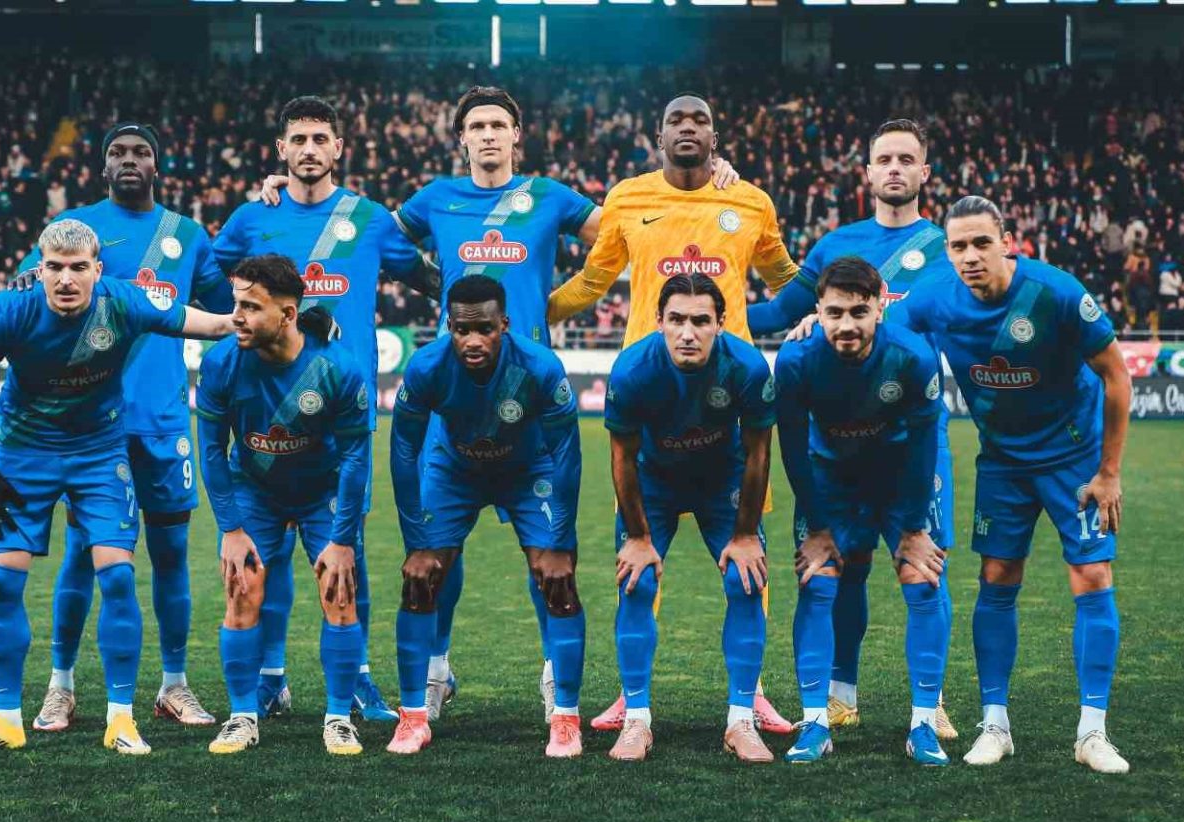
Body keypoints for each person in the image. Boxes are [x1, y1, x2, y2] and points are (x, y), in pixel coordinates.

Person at [263, 87, 739, 723]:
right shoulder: (435, 199)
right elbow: (361, 234)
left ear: (517, 135)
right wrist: (288, 189)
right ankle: (436, 672)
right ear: (462, 138)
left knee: (549, 553)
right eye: (477, 126)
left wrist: (706, 181)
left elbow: (638, 223)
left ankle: (553, 676)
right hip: (452, 403)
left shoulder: (549, 197)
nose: (488, 134)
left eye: (498, 125)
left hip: (529, 400)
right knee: (440, 548)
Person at [547, 91, 801, 734]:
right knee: (637, 559)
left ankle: (753, 690)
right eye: (675, 121)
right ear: (657, 136)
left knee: (749, 557)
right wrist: (531, 313)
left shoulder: (750, 201)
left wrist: (819, 315)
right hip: (651, 394)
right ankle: (631, 696)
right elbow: (593, 282)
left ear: (716, 137)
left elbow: (787, 279)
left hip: (728, 396)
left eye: (700, 120)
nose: (688, 128)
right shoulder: (627, 199)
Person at [0, 219, 234, 755]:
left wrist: (286, 317)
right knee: (3, 581)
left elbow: (215, 324)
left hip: (99, 453)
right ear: (39, 269)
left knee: (118, 576)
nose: (66, 279)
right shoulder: (9, 311)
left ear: (97, 270)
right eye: (55, 268)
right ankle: (5, 720)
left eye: (78, 267)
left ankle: (120, 718)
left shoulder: (124, 301)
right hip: (24, 454)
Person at [214, 96, 440, 724]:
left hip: (341, 415)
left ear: (339, 148)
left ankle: (358, 679)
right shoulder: (251, 218)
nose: (309, 149)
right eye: (299, 140)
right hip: (263, 412)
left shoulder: (369, 219)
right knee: (267, 558)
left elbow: (431, 279)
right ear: (280, 150)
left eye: (320, 139)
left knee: (346, 553)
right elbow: (207, 281)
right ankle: (270, 679)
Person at [890, 196, 1133, 774]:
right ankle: (995, 725)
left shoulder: (1056, 293)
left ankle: (1092, 732)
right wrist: (812, 326)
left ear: (1006, 242)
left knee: (1092, 576)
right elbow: (878, 329)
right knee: (997, 578)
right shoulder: (934, 297)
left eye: (981, 243)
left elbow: (1117, 376)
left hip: (1074, 459)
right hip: (1002, 461)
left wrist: (1109, 472)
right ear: (947, 252)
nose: (970, 256)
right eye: (958, 246)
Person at [16, 123, 231, 733]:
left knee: (170, 557)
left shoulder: (188, 236)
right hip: (94, 427)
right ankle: (60, 686)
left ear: (157, 166)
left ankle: (174, 685)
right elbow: (28, 290)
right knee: (83, 555)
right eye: (118, 152)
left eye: (141, 152)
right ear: (103, 166)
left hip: (164, 423)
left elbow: (225, 310)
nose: (129, 160)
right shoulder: (74, 230)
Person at [746, 118, 958, 739]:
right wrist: (710, 309)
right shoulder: (836, 245)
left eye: (906, 159)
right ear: (866, 173)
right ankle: (840, 695)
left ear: (924, 172)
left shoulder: (949, 248)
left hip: (914, 438)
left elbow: (976, 325)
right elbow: (780, 312)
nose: (894, 168)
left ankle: (933, 700)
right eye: (884, 159)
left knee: (925, 562)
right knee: (846, 568)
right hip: (838, 438)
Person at [386, 275, 585, 758]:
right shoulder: (427, 366)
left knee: (557, 580)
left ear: (505, 325)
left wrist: (561, 542)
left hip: (527, 469)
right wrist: (416, 542)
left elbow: (567, 453)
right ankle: (413, 716)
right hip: (454, 469)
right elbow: (403, 450)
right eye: (462, 330)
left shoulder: (539, 366)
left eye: (485, 330)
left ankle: (565, 715)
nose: (473, 341)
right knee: (421, 580)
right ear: (448, 327)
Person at [773, 256, 950, 766]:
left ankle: (924, 724)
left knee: (922, 579)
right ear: (818, 311)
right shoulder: (796, 359)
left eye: (858, 312)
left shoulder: (912, 357)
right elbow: (792, 448)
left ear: (879, 309)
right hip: (831, 478)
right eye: (834, 313)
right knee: (818, 580)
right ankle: (815, 721)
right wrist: (817, 526)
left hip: (899, 475)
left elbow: (924, 446)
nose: (846, 325)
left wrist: (913, 527)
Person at [195, 255, 373, 756]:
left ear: (288, 314)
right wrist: (231, 529)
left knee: (339, 593)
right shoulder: (222, 363)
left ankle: (338, 718)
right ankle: (242, 716)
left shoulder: (337, 367)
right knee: (242, 590)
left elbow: (356, 457)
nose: (237, 317)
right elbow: (212, 450)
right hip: (255, 490)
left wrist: (342, 539)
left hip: (321, 491)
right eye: (236, 304)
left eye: (251, 307)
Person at [603, 272, 776, 763]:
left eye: (701, 321)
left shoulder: (747, 367)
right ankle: (636, 721)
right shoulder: (632, 370)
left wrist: (746, 533)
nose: (688, 333)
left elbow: (759, 453)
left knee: (745, 580)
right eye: (676, 319)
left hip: (721, 481)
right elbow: (621, 458)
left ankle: (741, 721)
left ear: (721, 323)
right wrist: (638, 537)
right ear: (658, 321)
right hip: (653, 482)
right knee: (636, 582)